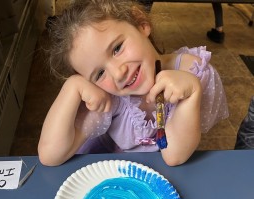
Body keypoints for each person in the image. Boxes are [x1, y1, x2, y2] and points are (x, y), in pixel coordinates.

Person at [38, 0, 229, 167]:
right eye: (100, 73)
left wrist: (192, 91)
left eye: (117, 48)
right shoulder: (109, 97)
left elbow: (174, 156)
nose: (118, 73)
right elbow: (50, 155)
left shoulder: (192, 71)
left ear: (140, 23)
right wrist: (71, 86)